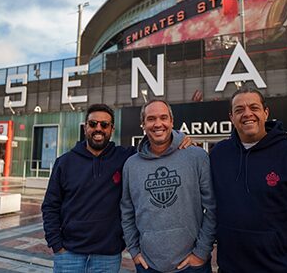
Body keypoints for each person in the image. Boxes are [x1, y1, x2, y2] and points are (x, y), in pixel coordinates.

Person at [42, 103, 191, 273]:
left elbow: (156, 144)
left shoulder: (126, 158)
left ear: (112, 129)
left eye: (104, 125)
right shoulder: (65, 162)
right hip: (69, 255)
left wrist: (180, 137)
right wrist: (57, 245)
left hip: (108, 257)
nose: (98, 129)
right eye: (93, 124)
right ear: (85, 128)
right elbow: (50, 206)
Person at [209, 87, 287, 272]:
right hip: (230, 267)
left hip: (281, 267)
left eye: (254, 107)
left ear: (265, 113)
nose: (247, 114)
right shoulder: (219, 154)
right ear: (231, 117)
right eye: (239, 110)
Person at [120, 99, 216, 273]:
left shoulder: (197, 156)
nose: (158, 124)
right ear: (143, 124)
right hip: (148, 266)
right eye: (151, 119)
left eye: (163, 117)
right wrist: (134, 251)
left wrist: (201, 253)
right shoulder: (131, 165)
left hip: (193, 265)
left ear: (172, 121)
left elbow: (212, 208)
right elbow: (127, 211)